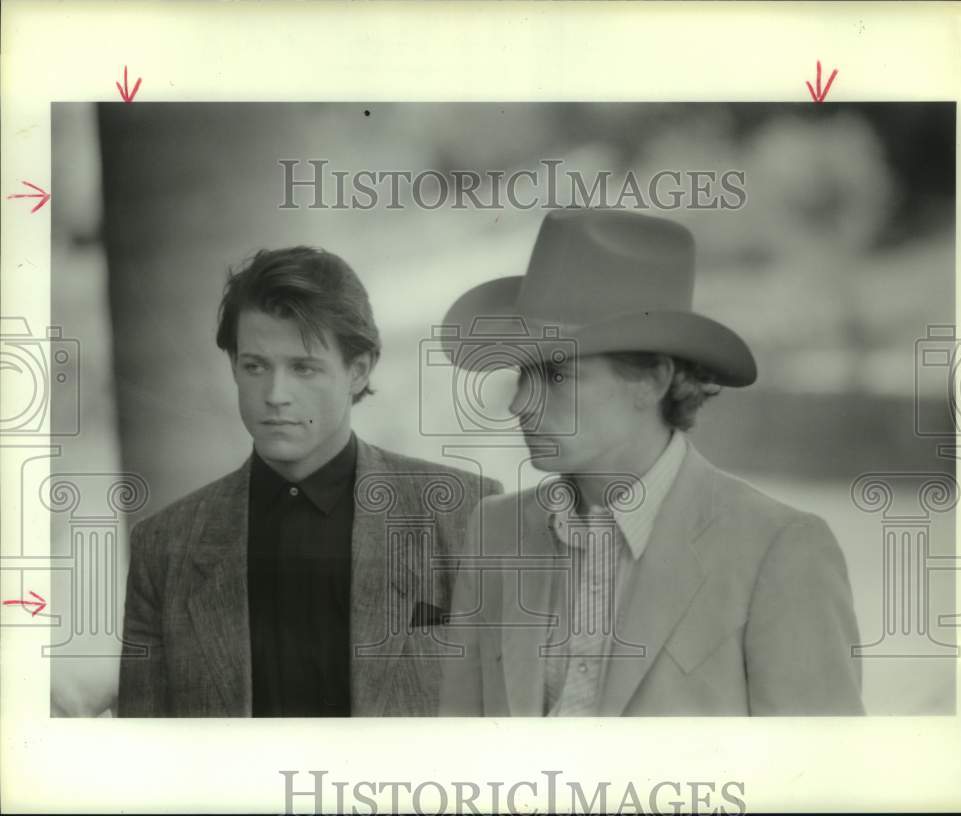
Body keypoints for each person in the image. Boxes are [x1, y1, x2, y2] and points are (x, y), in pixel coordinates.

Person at [437, 208, 864, 716]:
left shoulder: (778, 548)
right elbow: (460, 754)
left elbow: (818, 781)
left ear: (652, 380)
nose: (519, 403)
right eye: (520, 373)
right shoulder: (495, 532)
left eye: (555, 375)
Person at [118, 246, 501, 717]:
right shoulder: (165, 547)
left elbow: (509, 731)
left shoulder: (468, 514)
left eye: (304, 368)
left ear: (357, 371)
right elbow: (144, 759)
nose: (275, 395)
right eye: (255, 367)